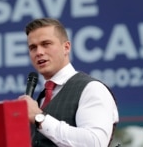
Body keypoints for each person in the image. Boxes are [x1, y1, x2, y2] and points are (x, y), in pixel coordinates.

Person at [18, 18, 119, 147]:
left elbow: (94, 143)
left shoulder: (92, 88)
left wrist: (39, 118)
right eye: (33, 47)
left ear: (66, 47)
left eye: (46, 44)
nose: (39, 52)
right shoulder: (41, 99)